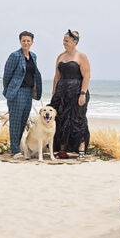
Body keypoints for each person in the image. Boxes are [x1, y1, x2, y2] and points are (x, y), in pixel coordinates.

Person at [50, 29, 91, 159]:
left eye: (66, 40)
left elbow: (87, 76)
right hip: (61, 92)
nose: (64, 43)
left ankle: (81, 150)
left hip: (77, 91)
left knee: (78, 119)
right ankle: (62, 150)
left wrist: (82, 94)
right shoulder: (60, 56)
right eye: (63, 40)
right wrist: (54, 93)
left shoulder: (81, 56)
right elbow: (56, 77)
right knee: (60, 119)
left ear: (75, 41)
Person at [2, 31, 43, 158]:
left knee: (23, 121)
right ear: (20, 41)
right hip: (17, 92)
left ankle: (17, 148)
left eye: (28, 40)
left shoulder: (33, 56)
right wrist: (9, 91)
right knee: (15, 122)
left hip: (28, 92)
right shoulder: (15, 56)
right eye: (23, 40)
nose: (26, 43)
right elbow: (7, 76)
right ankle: (15, 150)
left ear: (32, 42)